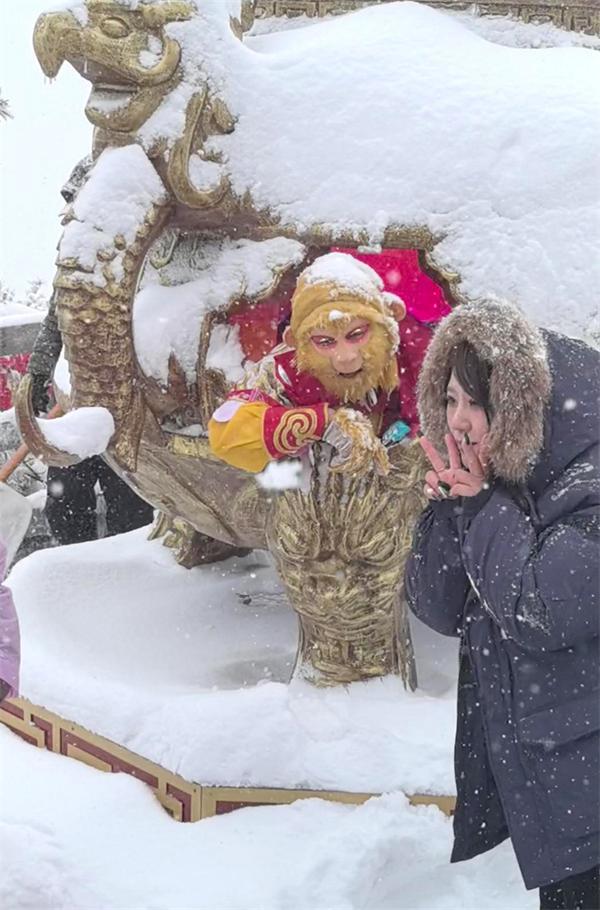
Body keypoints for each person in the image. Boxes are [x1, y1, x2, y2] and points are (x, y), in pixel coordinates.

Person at [404, 300, 599, 908]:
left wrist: (484, 508)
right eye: (450, 401)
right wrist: (450, 512)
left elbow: (537, 609)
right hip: (558, 778)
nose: (459, 422)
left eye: (476, 403)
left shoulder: (586, 487)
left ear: (522, 406)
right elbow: (438, 607)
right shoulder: (508, 481)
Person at [208, 252, 432, 476]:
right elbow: (225, 435)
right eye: (325, 342)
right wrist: (322, 422)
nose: (345, 356)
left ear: (387, 322)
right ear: (297, 342)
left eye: (356, 335)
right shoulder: (288, 365)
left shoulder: (416, 349)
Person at [26, 157, 154, 544]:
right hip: (76, 400)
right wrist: (39, 371)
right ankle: (74, 568)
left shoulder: (136, 246)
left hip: (126, 400)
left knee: (129, 498)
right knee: (66, 498)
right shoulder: (79, 254)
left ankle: (132, 576)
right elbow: (56, 316)